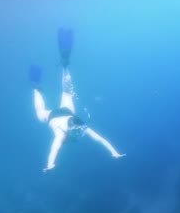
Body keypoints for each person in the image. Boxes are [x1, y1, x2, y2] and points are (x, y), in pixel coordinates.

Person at [30, 28, 125, 172]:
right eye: (76, 131)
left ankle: (60, 69)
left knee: (67, 93)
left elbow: (100, 140)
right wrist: (50, 164)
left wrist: (114, 152)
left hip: (67, 113)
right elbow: (54, 149)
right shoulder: (63, 134)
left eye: (76, 131)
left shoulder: (80, 129)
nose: (77, 133)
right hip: (54, 116)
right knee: (47, 107)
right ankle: (45, 80)